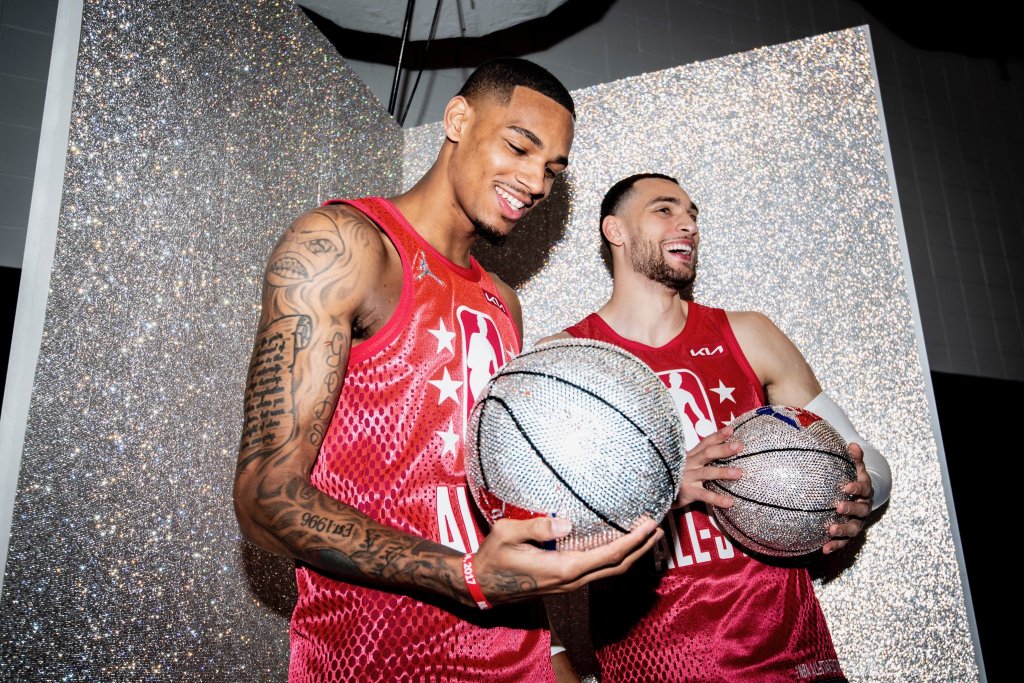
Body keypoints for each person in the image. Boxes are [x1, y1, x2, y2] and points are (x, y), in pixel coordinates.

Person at [232, 61, 662, 682]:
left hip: (518, 661)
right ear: (458, 119)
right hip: (373, 662)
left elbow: (503, 510)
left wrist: (555, 652)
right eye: (519, 146)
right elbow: (263, 499)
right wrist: (464, 578)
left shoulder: (503, 302)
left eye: (552, 169)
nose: (535, 182)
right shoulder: (347, 244)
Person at [540, 173, 892, 682]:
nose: (687, 224)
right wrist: (662, 489)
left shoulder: (749, 335)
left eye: (692, 214)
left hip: (788, 655)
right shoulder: (564, 360)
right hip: (655, 661)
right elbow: (545, 532)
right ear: (615, 230)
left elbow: (868, 462)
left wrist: (860, 492)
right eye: (665, 210)